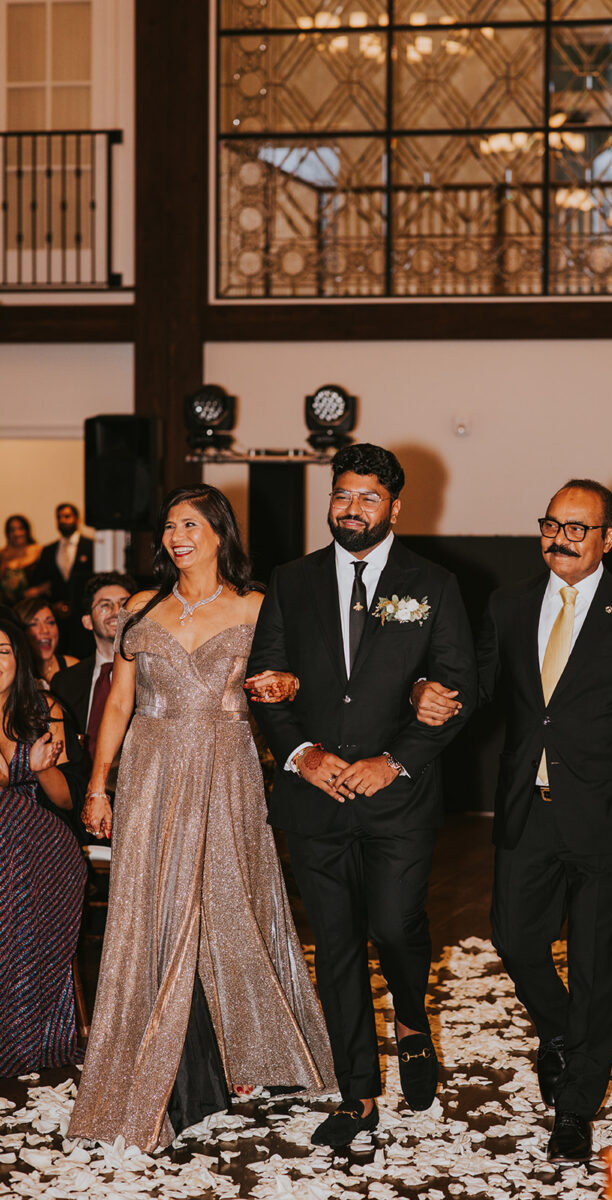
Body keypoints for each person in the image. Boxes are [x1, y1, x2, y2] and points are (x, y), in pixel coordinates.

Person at [412, 479, 612, 1163]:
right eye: (551, 524)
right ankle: (566, 1034)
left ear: (609, 539)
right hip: (525, 809)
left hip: (604, 817)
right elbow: (479, 687)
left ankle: (575, 1107)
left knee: (598, 966)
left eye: (576, 527)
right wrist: (433, 696)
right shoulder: (508, 606)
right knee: (514, 940)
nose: (559, 537)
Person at [68, 485, 334, 1152]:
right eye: (169, 526)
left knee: (230, 902)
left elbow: (294, 684)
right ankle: (157, 1064)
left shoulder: (256, 606)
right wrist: (99, 786)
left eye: (190, 523)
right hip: (152, 770)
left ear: (220, 532)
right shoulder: (141, 608)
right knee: (155, 907)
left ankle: (254, 1057)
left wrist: (291, 687)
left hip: (228, 768)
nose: (176, 535)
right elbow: (121, 704)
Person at [245, 443, 477, 1147]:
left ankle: (411, 1019)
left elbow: (457, 691)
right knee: (338, 944)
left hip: (397, 799)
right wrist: (301, 753)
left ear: (395, 507)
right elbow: (265, 680)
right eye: (342, 494)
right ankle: (357, 1095)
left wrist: (395, 762)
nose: (351, 508)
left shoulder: (433, 584)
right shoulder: (291, 579)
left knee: (396, 925)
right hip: (315, 799)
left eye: (367, 497)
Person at [0, 617, 87, 1076]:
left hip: (43, 844)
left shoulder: (44, 710)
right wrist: (21, 762)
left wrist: (37, 768)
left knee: (10, 826)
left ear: (19, 657)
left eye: (2, 651)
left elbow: (68, 798)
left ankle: (23, 1031)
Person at [51, 571, 136, 764]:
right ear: (87, 621)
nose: (117, 611)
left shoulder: (151, 677)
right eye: (105, 605)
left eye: (124, 604)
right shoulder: (65, 682)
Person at [26, 504, 94, 654]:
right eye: (59, 517)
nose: (63, 520)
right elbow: (40, 582)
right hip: (57, 618)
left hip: (83, 615)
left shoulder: (91, 547)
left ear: (77, 519)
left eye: (67, 516)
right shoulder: (48, 550)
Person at [15, 597, 79, 689]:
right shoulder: (13, 675)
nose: (45, 630)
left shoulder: (74, 667)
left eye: (50, 622)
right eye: (33, 624)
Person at [0, 515, 41, 606]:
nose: (17, 533)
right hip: (7, 607)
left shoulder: (39, 551)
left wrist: (38, 590)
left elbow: (50, 580)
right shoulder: (2, 554)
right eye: (12, 530)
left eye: (20, 528)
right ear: (7, 533)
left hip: (33, 606)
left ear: (27, 530)